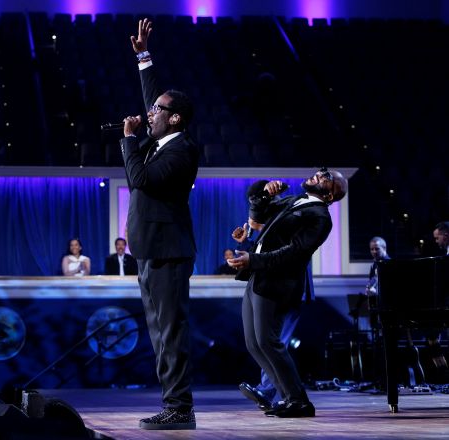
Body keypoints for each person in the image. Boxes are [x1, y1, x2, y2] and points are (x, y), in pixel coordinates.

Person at [121, 18, 199, 430]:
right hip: (150, 250)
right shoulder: (162, 138)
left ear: (176, 119)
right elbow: (155, 98)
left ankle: (180, 407)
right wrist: (144, 57)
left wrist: (128, 141)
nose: (150, 113)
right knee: (159, 334)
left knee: (171, 333)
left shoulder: (182, 150)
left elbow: (140, 179)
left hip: (169, 252)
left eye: (158, 111)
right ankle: (173, 403)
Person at [228, 167, 348, 418]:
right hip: (258, 276)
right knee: (254, 343)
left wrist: (253, 260)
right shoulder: (294, 200)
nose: (320, 174)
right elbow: (258, 217)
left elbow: (294, 253)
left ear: (330, 195)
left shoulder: (320, 217)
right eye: (322, 171)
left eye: (327, 177)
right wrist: (265, 193)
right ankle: (288, 398)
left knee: (268, 342)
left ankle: (299, 401)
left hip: (277, 281)